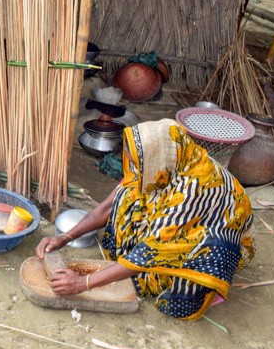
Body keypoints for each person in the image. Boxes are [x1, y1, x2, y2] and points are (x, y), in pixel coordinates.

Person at [36, 118, 255, 320]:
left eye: (138, 166)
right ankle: (126, 267)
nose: (134, 171)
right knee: (128, 196)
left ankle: (207, 287)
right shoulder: (163, 164)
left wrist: (83, 283)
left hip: (211, 240)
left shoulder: (193, 192)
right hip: (173, 227)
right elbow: (108, 206)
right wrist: (64, 237)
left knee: (182, 300)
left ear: (157, 160)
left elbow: (149, 252)